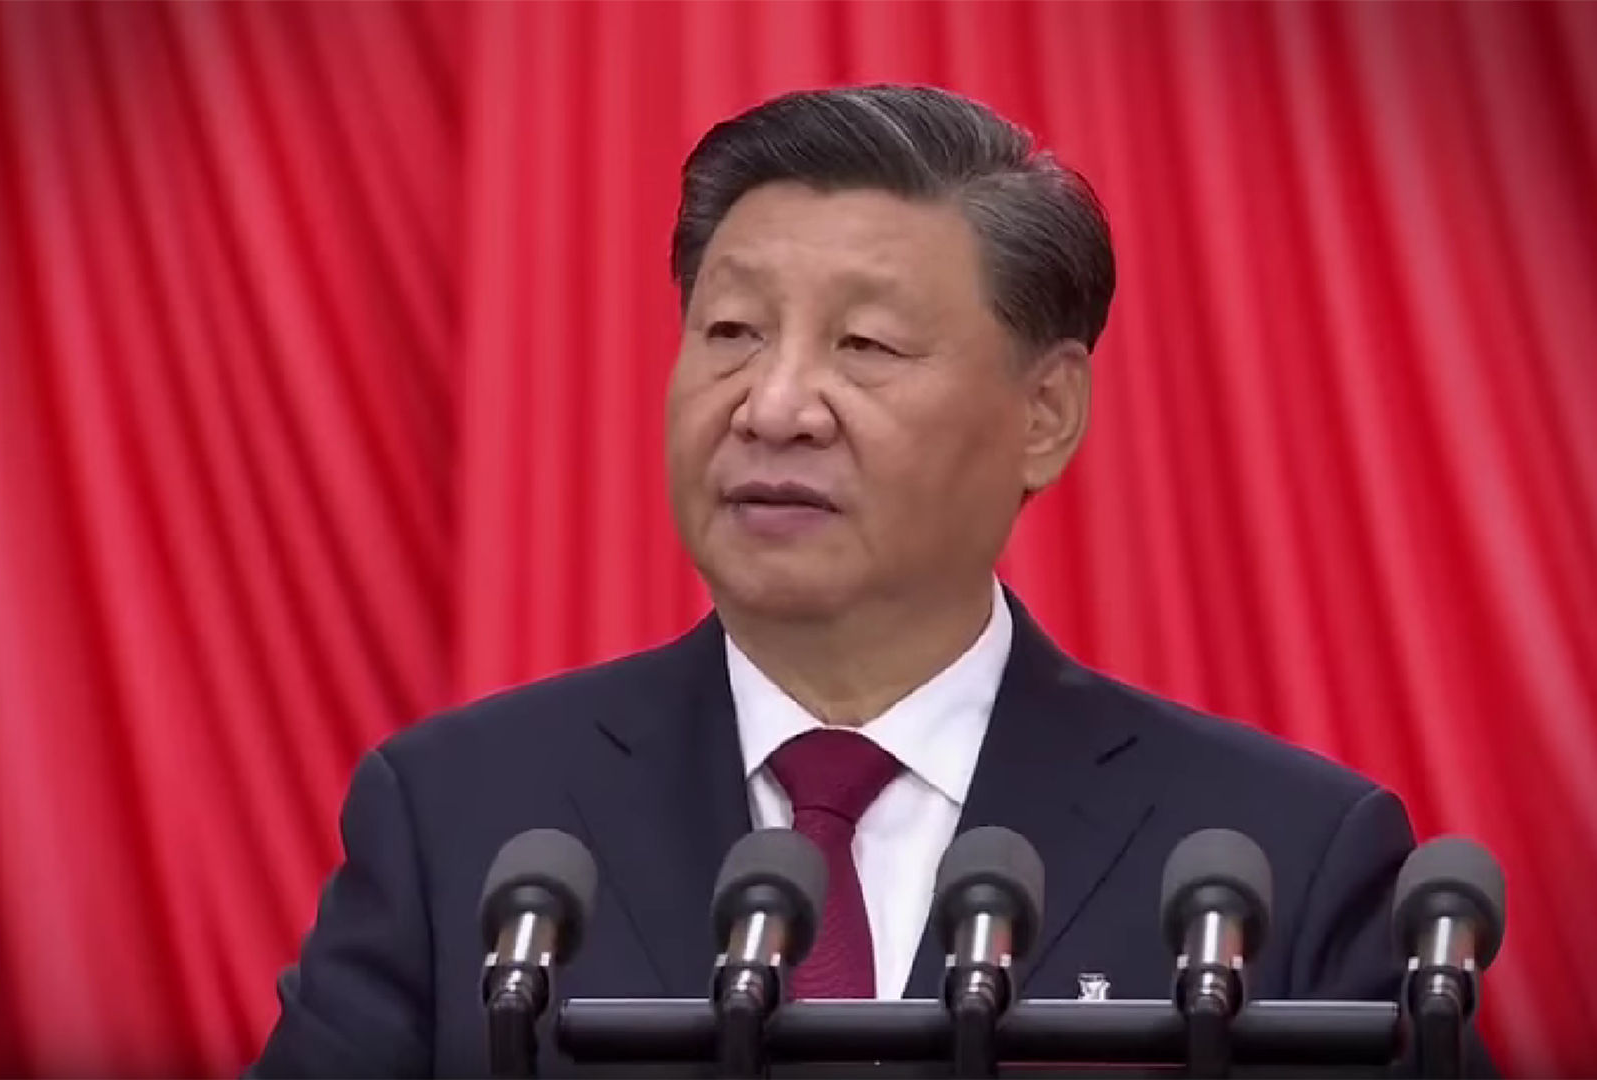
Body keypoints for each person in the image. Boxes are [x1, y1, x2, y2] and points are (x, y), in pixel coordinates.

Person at [250, 84, 1445, 1078]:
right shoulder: (462, 820)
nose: (774, 407)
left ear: (1045, 414)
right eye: (731, 333)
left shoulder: (1277, 859)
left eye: (864, 346)